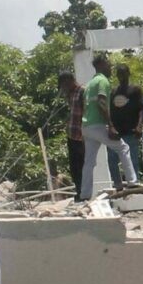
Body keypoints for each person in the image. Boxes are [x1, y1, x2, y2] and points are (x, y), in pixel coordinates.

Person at [77, 55, 123, 199]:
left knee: (89, 162)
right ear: (102, 64)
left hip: (86, 126)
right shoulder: (103, 81)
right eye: (109, 64)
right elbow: (102, 103)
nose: (110, 67)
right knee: (123, 148)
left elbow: (84, 105)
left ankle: (85, 194)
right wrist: (110, 125)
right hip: (98, 124)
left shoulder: (89, 84)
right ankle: (133, 181)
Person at [106, 65, 143, 188]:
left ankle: (134, 184)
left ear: (128, 73)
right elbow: (109, 111)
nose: (121, 76)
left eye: (123, 73)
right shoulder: (113, 91)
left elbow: (141, 109)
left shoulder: (135, 90)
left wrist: (139, 126)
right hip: (116, 133)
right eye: (118, 74)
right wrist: (110, 127)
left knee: (132, 160)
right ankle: (118, 185)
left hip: (131, 131)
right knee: (112, 160)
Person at [56, 72, 85, 203]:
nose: (63, 88)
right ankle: (79, 192)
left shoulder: (82, 92)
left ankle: (84, 192)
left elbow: (86, 112)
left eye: (64, 84)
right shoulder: (70, 94)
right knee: (74, 167)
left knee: (82, 165)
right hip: (72, 134)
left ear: (70, 80)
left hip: (81, 135)